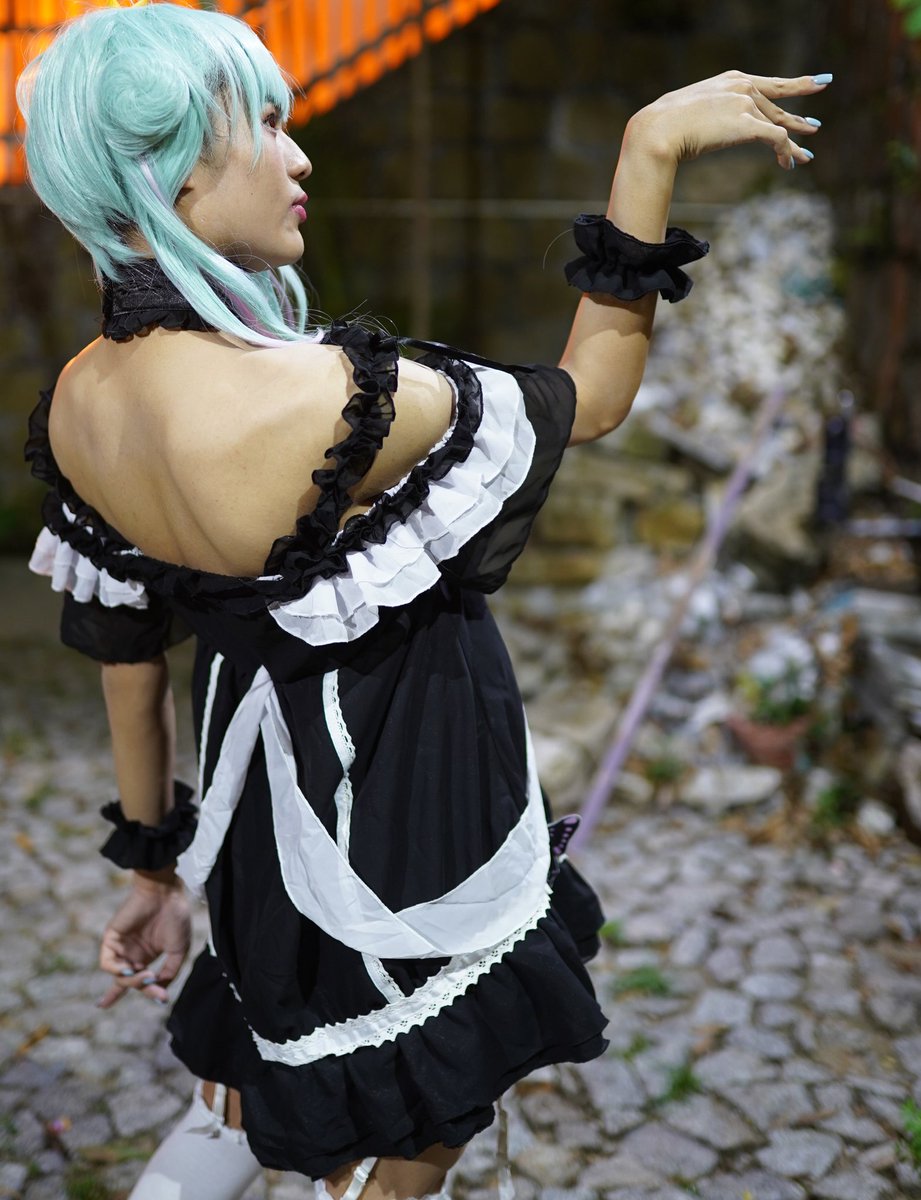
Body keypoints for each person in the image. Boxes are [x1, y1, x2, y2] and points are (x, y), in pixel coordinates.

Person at [16, 3, 828, 1197]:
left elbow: (127, 656)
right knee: (403, 1132)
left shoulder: (79, 401)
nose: (301, 157)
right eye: (269, 126)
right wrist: (649, 150)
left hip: (254, 806)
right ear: (177, 169)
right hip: (401, 796)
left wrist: (154, 871)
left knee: (258, 1067)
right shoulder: (322, 398)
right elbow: (592, 395)